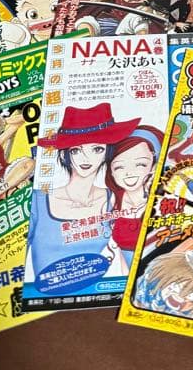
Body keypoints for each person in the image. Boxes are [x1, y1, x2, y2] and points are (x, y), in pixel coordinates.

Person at [27, 104, 140, 281]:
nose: (86, 158)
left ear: (107, 153)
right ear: (64, 155)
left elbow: (134, 262)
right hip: (48, 293)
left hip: (105, 291)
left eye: (97, 149)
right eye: (76, 150)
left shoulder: (116, 199)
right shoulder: (38, 200)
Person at [104, 125, 164, 271]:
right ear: (111, 171)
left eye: (140, 164)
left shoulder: (163, 200)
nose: (129, 173)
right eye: (119, 167)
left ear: (154, 166)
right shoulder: (111, 201)